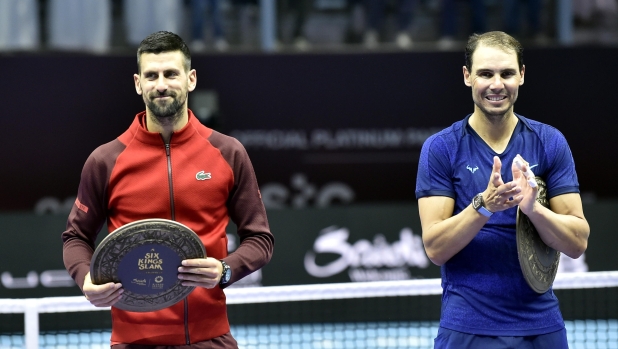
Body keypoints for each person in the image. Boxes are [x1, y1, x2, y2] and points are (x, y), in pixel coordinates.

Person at [61, 31, 274, 348]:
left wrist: (226, 270)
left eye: (171, 74)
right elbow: (75, 237)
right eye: (151, 75)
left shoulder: (228, 153)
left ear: (191, 79)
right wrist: (85, 279)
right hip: (134, 341)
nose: (161, 84)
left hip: (210, 337)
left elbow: (260, 239)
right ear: (138, 83)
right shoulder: (105, 160)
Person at [415, 31, 589, 348]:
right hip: (467, 329)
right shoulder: (441, 148)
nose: (497, 84)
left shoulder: (550, 142)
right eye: (486, 73)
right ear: (468, 76)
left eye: (507, 73)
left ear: (521, 75)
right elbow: (435, 249)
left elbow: (577, 242)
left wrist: (534, 210)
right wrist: (484, 205)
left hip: (541, 328)